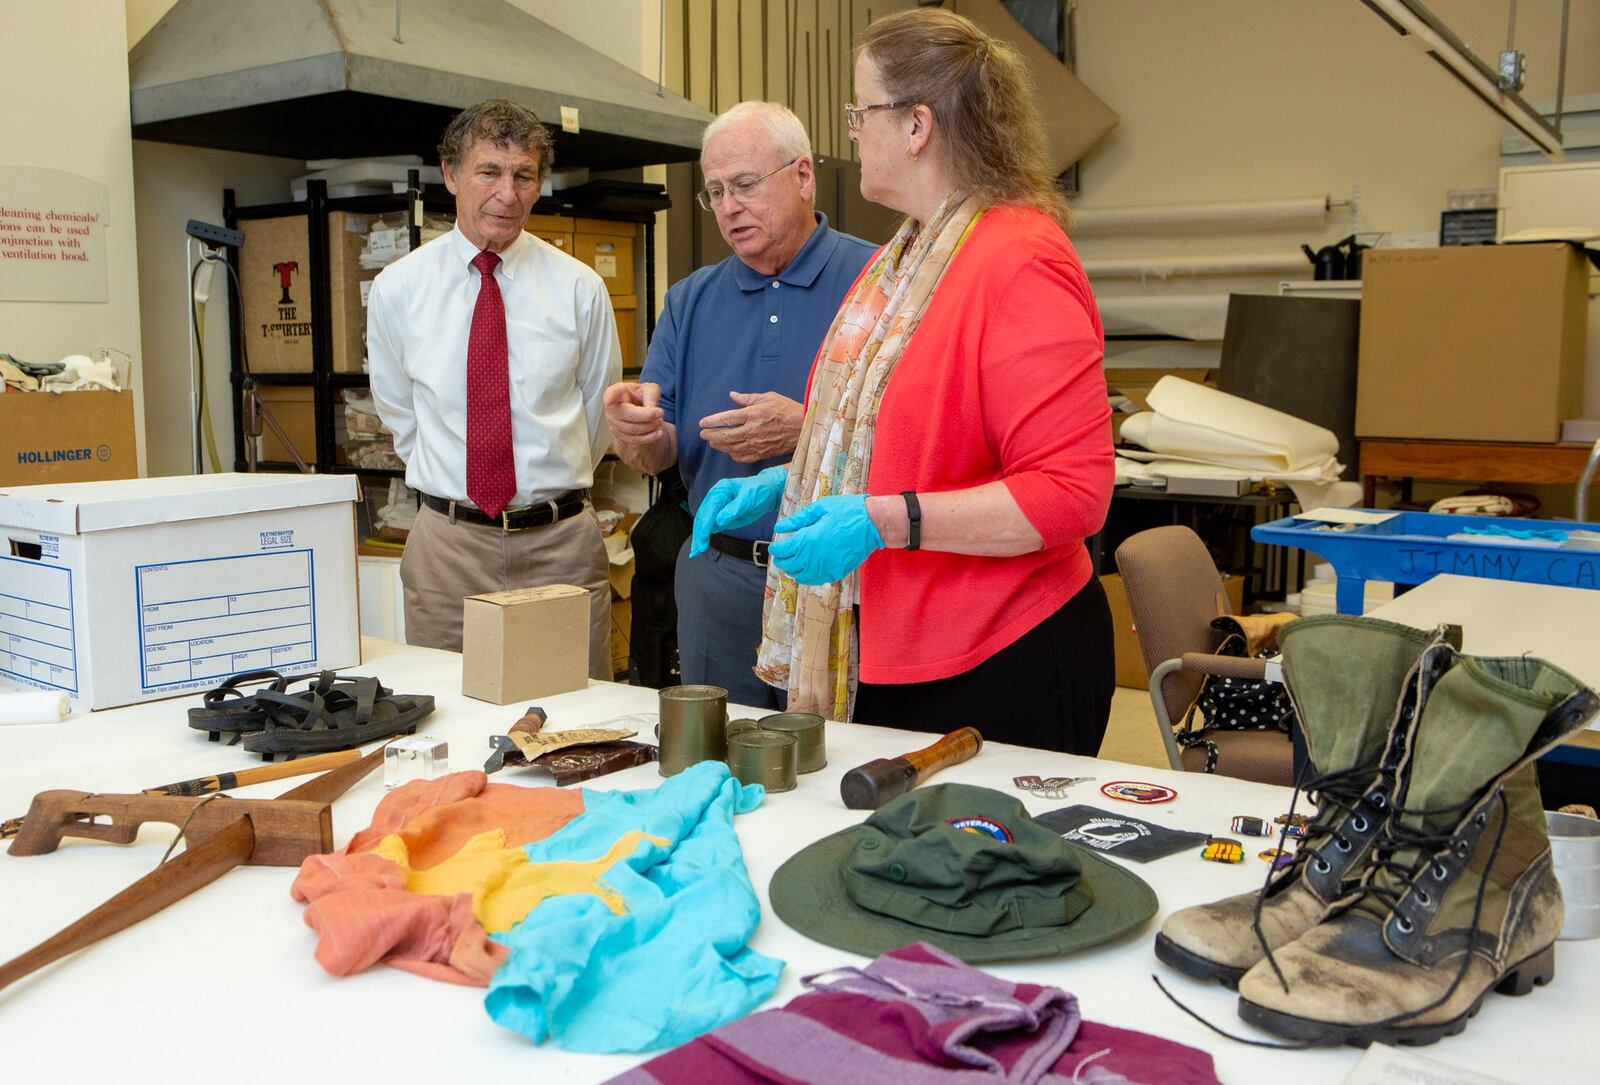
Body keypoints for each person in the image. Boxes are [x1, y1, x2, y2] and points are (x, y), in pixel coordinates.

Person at [690, 9, 1115, 754]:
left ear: (917, 125)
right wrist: (793, 483)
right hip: (899, 651)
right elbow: (911, 442)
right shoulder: (909, 257)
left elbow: (1071, 493)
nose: (851, 131)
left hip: (1003, 661)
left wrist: (883, 521)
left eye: (861, 111)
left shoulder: (1019, 260)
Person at [604, 102, 875, 707]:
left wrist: (806, 429)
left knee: (841, 768)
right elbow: (657, 455)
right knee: (722, 759)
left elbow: (920, 433)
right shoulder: (689, 300)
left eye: (746, 185)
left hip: (841, 579)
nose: (729, 207)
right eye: (715, 192)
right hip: (719, 581)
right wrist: (635, 430)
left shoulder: (879, 280)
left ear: (803, 176)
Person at [368, 99, 619, 677]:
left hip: (560, 546)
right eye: (489, 171)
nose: (507, 193)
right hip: (448, 551)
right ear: (451, 174)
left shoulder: (580, 289)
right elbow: (398, 412)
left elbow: (596, 418)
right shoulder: (398, 289)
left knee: (583, 724)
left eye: (523, 175)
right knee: (447, 721)